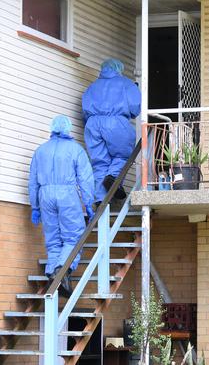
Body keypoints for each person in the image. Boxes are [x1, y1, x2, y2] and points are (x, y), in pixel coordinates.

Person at [28, 115, 95, 297]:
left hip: (45, 195)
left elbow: (33, 181)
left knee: (53, 239)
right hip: (67, 195)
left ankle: (52, 273)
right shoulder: (75, 150)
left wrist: (35, 206)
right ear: (68, 128)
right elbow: (85, 179)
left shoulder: (40, 151)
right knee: (73, 237)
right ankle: (62, 269)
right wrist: (89, 203)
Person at [82, 58, 141, 205]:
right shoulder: (126, 84)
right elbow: (135, 108)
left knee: (99, 162)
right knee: (123, 155)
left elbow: (85, 109)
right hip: (116, 122)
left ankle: (101, 198)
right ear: (118, 69)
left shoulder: (92, 86)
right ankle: (113, 178)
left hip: (92, 124)